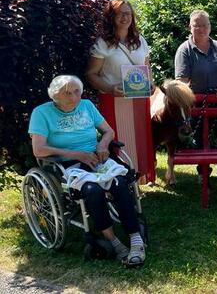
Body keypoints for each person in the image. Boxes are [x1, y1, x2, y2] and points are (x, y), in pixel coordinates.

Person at [28, 75, 146, 266]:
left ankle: (135, 237)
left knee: (120, 184)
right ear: (55, 95)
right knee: (93, 190)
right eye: (67, 93)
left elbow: (108, 131)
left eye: (77, 91)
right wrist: (76, 154)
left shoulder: (87, 106)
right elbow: (39, 150)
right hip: (68, 164)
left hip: (97, 158)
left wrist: (102, 145)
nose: (74, 97)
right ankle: (113, 242)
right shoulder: (41, 113)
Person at [86, 0, 155, 183]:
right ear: (111, 17)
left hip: (139, 100)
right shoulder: (103, 43)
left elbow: (146, 68)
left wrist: (151, 83)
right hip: (113, 101)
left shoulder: (140, 40)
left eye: (128, 13)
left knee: (139, 140)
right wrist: (109, 88)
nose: (125, 17)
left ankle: (138, 179)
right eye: (120, 13)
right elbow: (91, 74)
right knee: (118, 140)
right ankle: (119, 180)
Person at [174, 10, 217, 184]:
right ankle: (203, 170)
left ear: (209, 27)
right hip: (196, 105)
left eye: (204, 25)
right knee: (201, 138)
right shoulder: (185, 50)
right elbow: (181, 81)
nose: (201, 29)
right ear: (190, 26)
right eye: (197, 25)